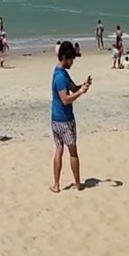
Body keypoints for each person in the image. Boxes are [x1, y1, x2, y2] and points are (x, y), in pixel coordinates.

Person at [50, 41, 91, 193]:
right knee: (72, 151)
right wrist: (81, 92)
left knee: (59, 149)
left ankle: (56, 185)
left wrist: (83, 85)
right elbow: (65, 99)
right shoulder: (60, 77)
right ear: (65, 58)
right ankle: (78, 183)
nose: (73, 62)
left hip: (56, 118)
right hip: (64, 120)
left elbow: (73, 88)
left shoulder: (61, 73)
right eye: (71, 59)